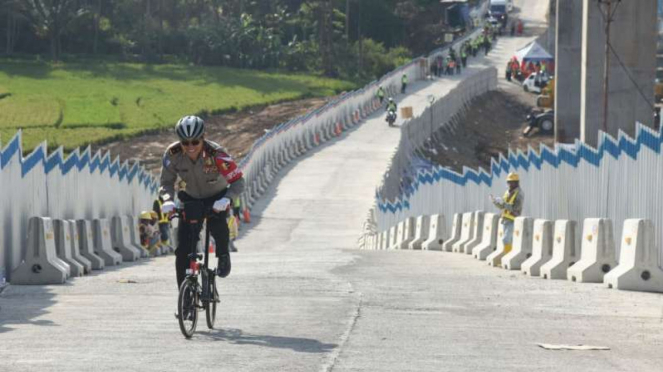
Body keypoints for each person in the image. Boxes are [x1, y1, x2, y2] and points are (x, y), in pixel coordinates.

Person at [159, 115, 246, 289]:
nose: (190, 147)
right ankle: (184, 297)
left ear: (203, 138)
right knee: (182, 249)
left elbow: (238, 181)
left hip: (216, 197)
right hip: (190, 197)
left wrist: (227, 198)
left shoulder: (217, 154)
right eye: (185, 143)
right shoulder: (173, 154)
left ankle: (223, 255)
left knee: (218, 225)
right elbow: (166, 183)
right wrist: (167, 200)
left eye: (195, 142)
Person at [490, 172, 524, 266]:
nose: (509, 184)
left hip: (513, 219)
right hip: (505, 219)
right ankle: (507, 260)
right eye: (509, 182)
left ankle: (507, 259)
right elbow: (502, 207)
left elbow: (516, 208)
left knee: (506, 239)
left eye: (512, 182)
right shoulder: (508, 191)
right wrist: (496, 202)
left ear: (516, 182)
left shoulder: (519, 194)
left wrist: (504, 204)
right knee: (508, 240)